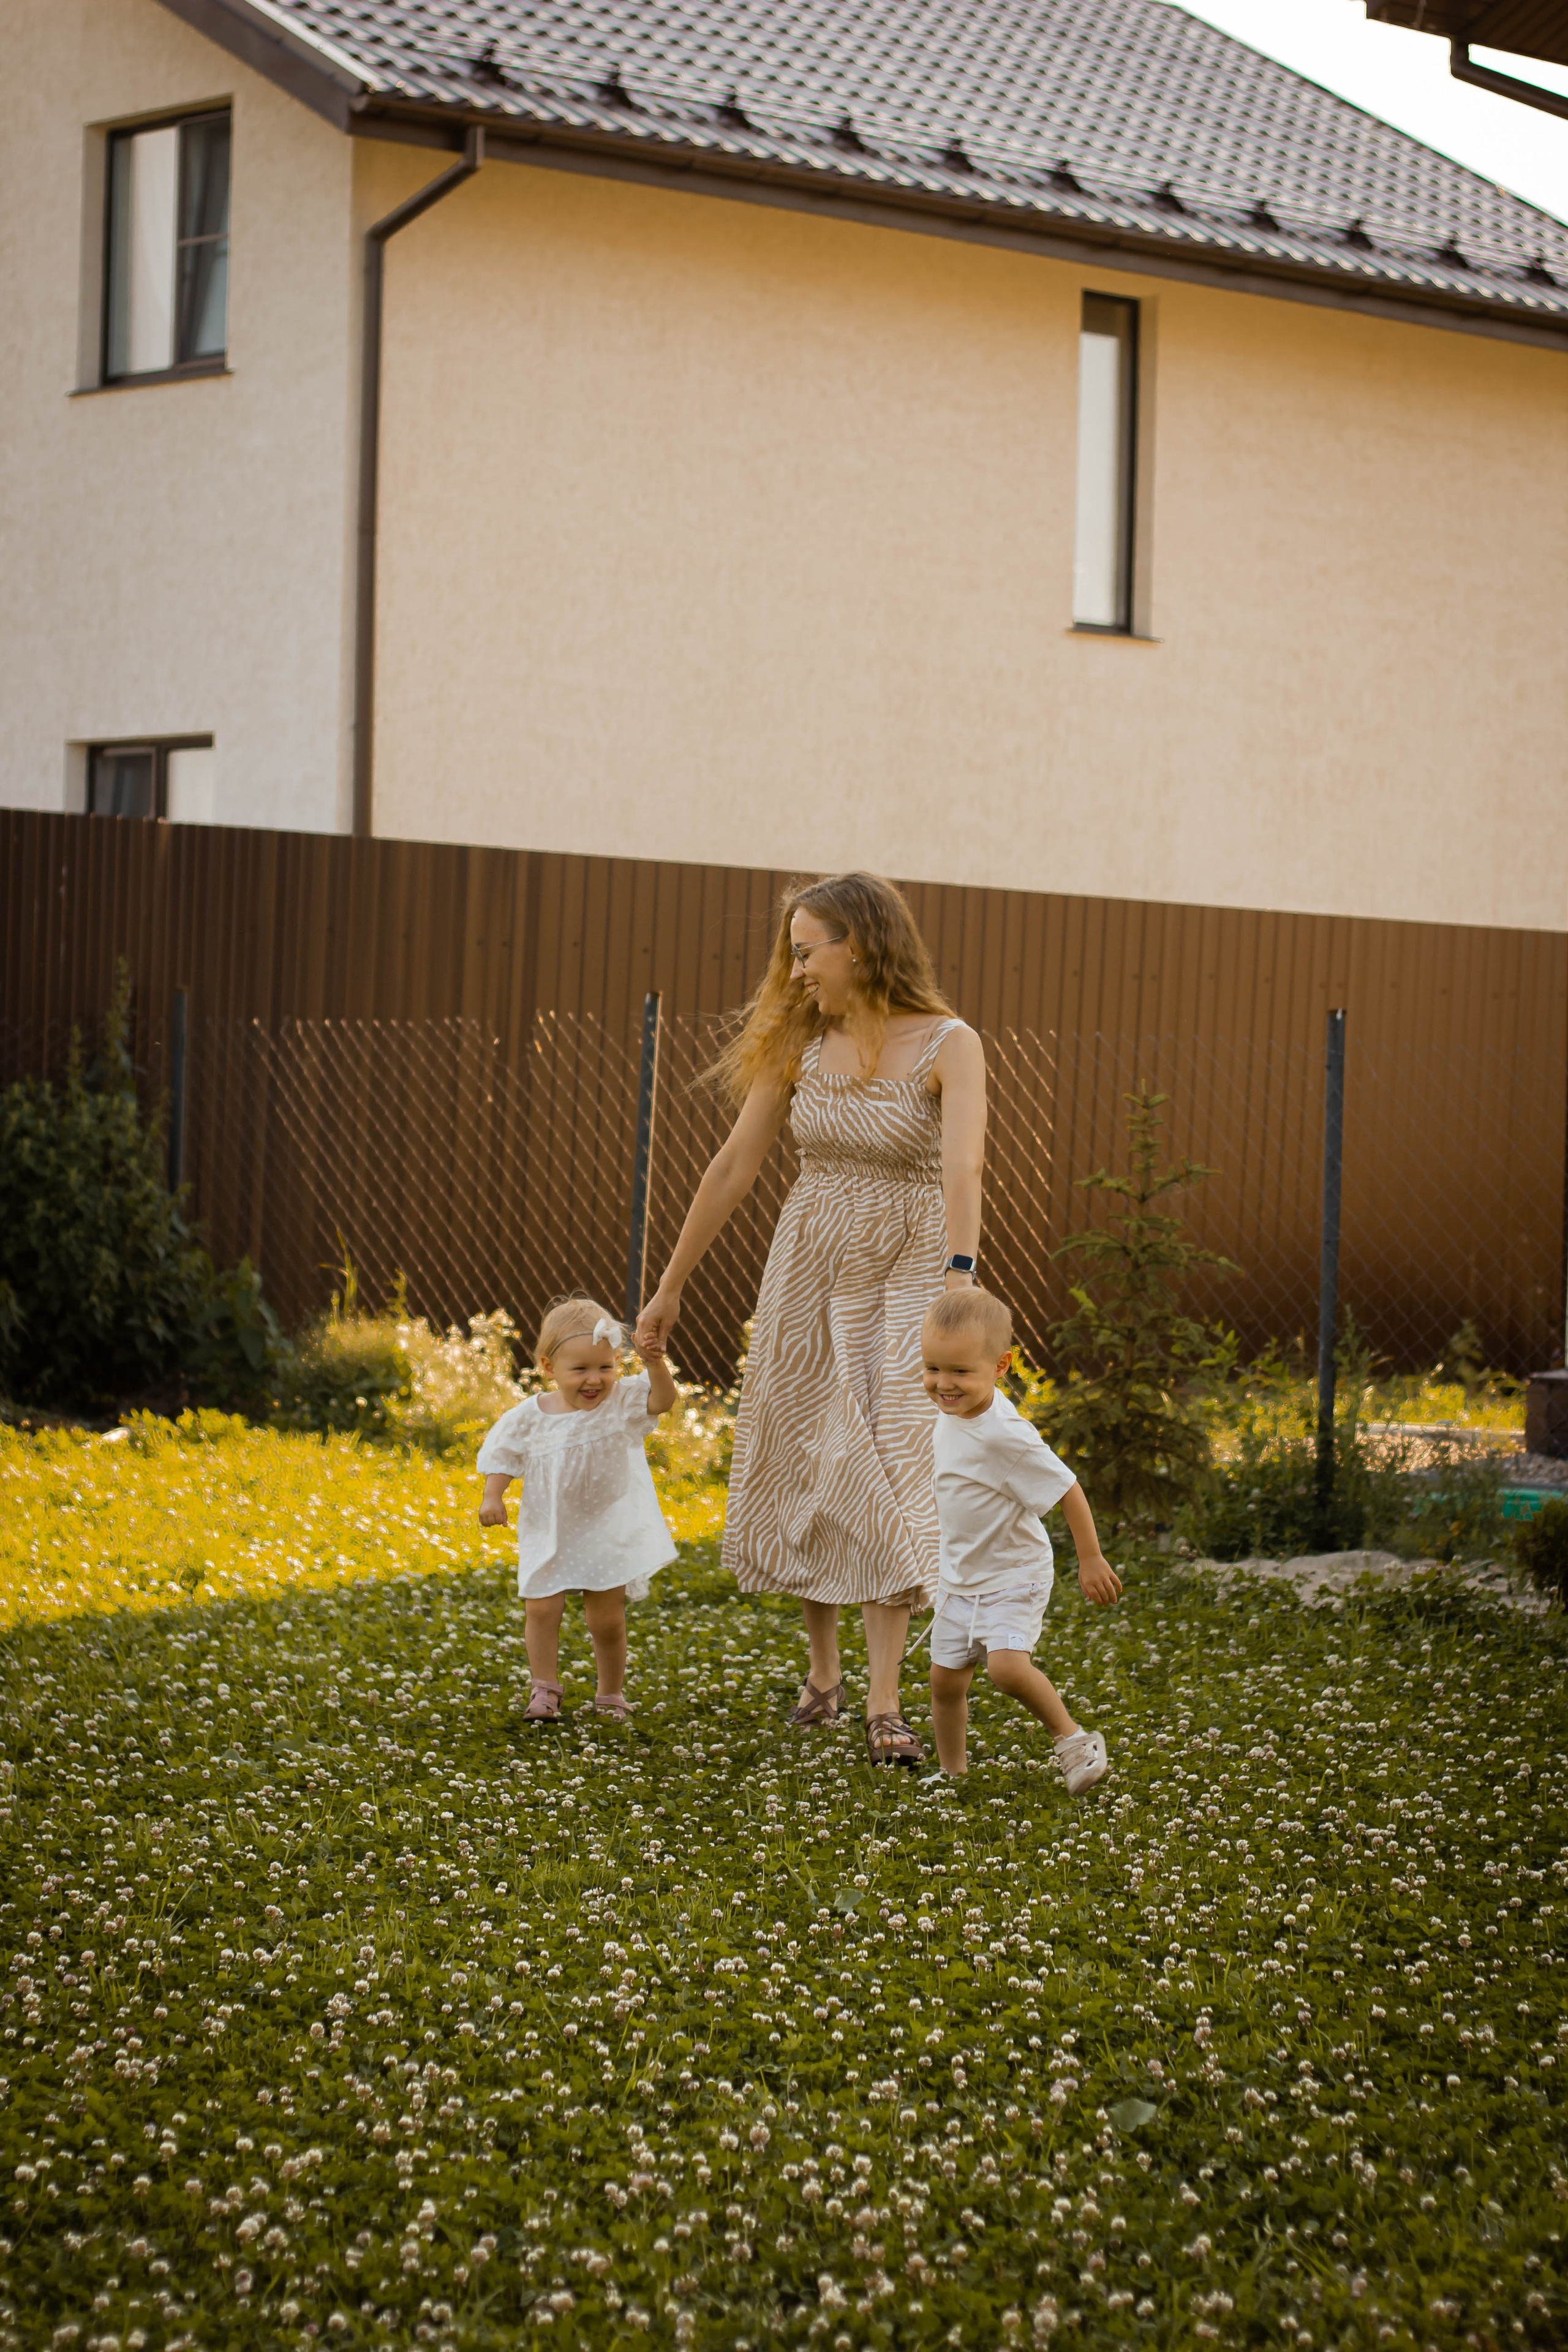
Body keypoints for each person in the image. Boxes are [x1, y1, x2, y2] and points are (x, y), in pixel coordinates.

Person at [636, 872, 987, 1766]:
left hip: (908, 1269)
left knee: (882, 1462)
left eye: (806, 951)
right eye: (791, 953)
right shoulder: (800, 1039)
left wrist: (959, 1282)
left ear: (860, 944)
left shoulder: (950, 1044)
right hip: (810, 1264)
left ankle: (883, 1704)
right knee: (811, 1456)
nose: (794, 972)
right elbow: (732, 1168)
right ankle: (823, 1674)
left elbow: (963, 1171)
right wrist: (671, 1285)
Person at [921, 1286, 1122, 1787]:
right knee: (945, 1682)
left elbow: (1067, 1487)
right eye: (932, 1368)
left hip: (1014, 1574)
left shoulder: (1005, 1434)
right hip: (960, 1578)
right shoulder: (951, 1413)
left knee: (1007, 1670)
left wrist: (1091, 1558)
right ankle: (952, 1775)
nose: (943, 1384)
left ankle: (1075, 1742)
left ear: (1001, 1366)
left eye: (960, 1372)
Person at [477, 1296, 677, 1722]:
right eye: (580, 1369)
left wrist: (654, 1364)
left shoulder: (621, 1403)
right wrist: (493, 1495)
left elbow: (662, 1401)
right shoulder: (529, 1417)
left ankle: (610, 1693)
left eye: (605, 1368)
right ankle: (545, 1689)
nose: (595, 1380)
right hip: (549, 1529)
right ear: (549, 1368)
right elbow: (504, 1455)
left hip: (607, 1529)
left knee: (606, 1619)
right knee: (541, 1608)